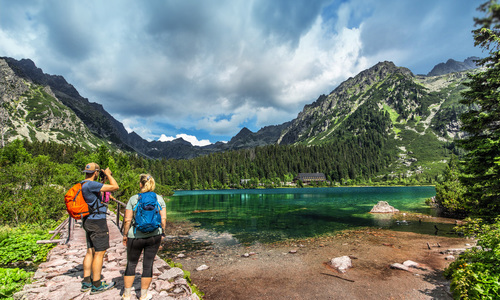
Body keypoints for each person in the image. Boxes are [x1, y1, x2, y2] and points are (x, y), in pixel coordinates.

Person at [122, 174, 167, 300]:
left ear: (141, 184)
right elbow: (163, 219)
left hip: (135, 235)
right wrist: (162, 232)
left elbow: (127, 220)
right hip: (154, 235)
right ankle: (144, 295)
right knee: (148, 265)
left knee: (131, 264)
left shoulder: (133, 198)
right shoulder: (158, 199)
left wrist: (125, 235)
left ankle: (126, 295)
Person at [80, 162, 120, 294]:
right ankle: (96, 284)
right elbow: (115, 186)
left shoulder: (83, 184)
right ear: (96, 172)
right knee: (100, 252)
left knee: (90, 251)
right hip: (97, 222)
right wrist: (108, 175)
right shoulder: (92, 184)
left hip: (88, 220)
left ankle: (86, 282)